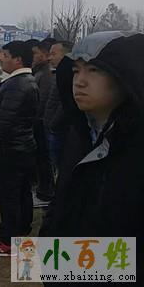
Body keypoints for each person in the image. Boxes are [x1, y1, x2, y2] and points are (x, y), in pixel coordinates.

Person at [39, 32, 143, 255]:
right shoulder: (81, 134)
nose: (80, 81)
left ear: (125, 76)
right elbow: (61, 202)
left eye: (94, 70)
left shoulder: (134, 146)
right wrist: (45, 256)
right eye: (76, 71)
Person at [0, 41, 38, 256]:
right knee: (21, 194)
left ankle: (7, 242)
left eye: (5, 55)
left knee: (9, 197)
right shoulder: (27, 81)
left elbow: (3, 122)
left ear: (18, 59)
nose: (1, 59)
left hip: (10, 151)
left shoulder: (17, 85)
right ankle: (20, 233)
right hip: (22, 148)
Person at [31, 40, 55, 207]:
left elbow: (43, 100)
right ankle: (42, 189)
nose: (33, 56)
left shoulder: (46, 74)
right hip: (38, 121)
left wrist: (35, 117)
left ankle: (46, 193)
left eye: (36, 53)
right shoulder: (39, 71)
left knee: (44, 159)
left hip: (41, 122)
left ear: (44, 55)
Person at [42, 40, 73, 172]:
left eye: (53, 54)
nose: (49, 58)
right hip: (53, 129)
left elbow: (64, 104)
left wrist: (53, 125)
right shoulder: (58, 74)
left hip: (60, 131)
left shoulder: (70, 76)